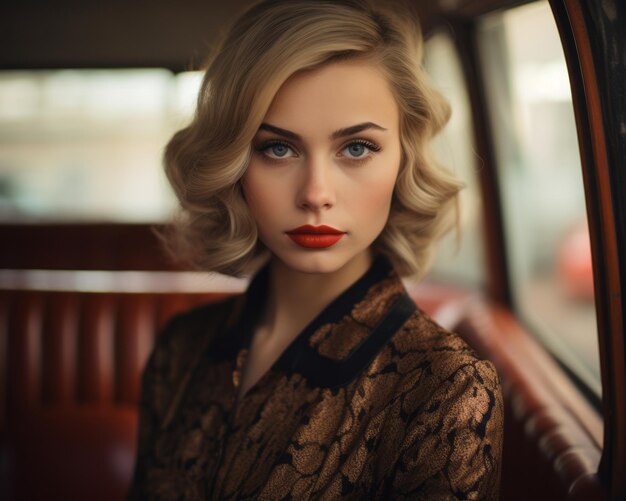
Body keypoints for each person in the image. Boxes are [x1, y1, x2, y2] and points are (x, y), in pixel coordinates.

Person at [129, 0, 503, 499]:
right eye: (278, 148)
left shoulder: (448, 385)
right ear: (236, 165)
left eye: (356, 148)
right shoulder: (181, 347)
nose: (315, 193)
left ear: (404, 157)